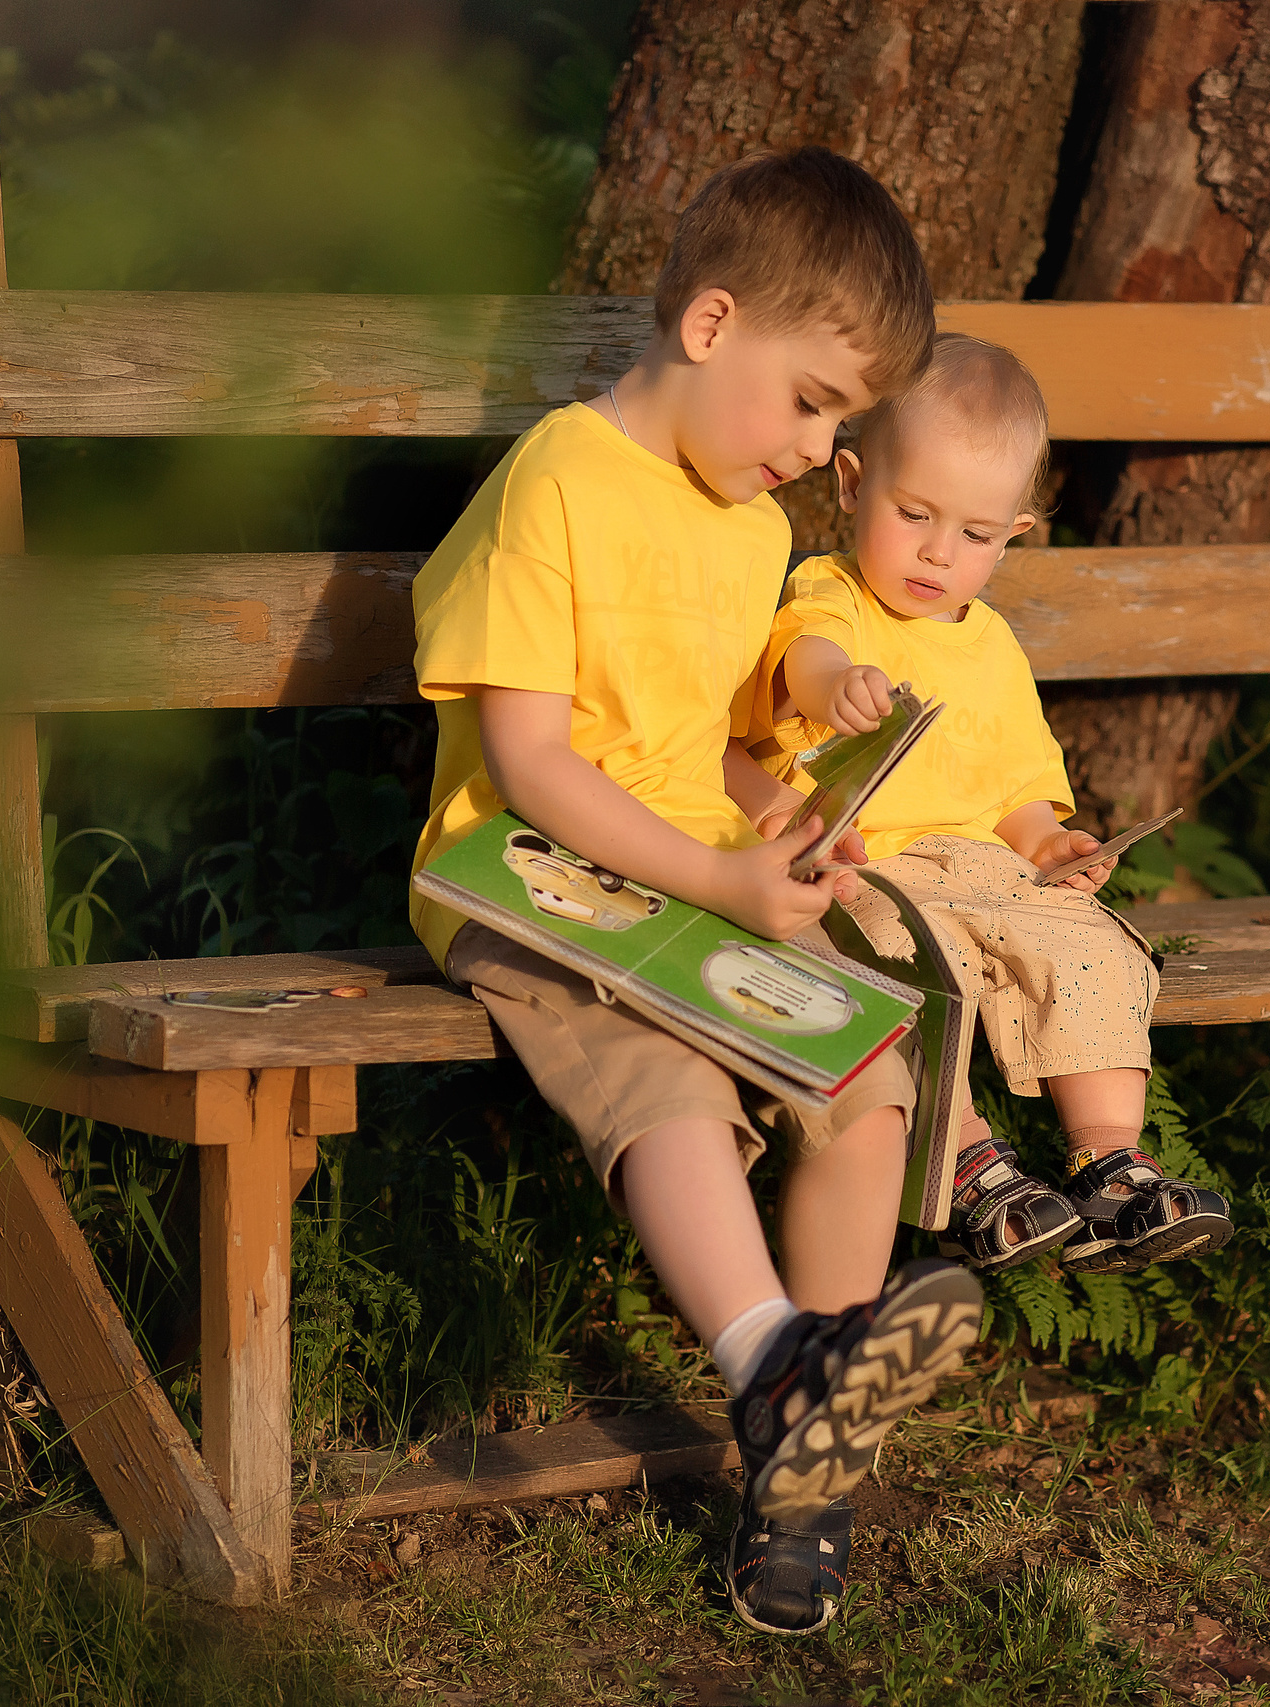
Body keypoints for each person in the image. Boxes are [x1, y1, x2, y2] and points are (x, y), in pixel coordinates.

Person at [406, 149, 980, 1638]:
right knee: (663, 1075)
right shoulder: (560, 480)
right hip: (533, 892)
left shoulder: (747, 529)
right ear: (712, 324)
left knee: (867, 1085)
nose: (821, 448)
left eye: (844, 421)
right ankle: (772, 1356)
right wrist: (720, 872)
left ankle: (805, 1473)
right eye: (812, 401)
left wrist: (784, 825)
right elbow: (532, 762)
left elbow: (715, 747)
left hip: (686, 888)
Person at [750, 333, 1235, 1281]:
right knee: (911, 962)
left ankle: (1110, 1165)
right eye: (915, 513)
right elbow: (800, 656)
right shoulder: (836, 595)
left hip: (991, 870)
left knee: (1086, 940)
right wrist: (835, 683)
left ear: (1011, 535)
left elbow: (1019, 793)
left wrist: (1054, 845)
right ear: (851, 484)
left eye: (973, 535)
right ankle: (970, 1158)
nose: (938, 552)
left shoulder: (995, 646)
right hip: (868, 861)